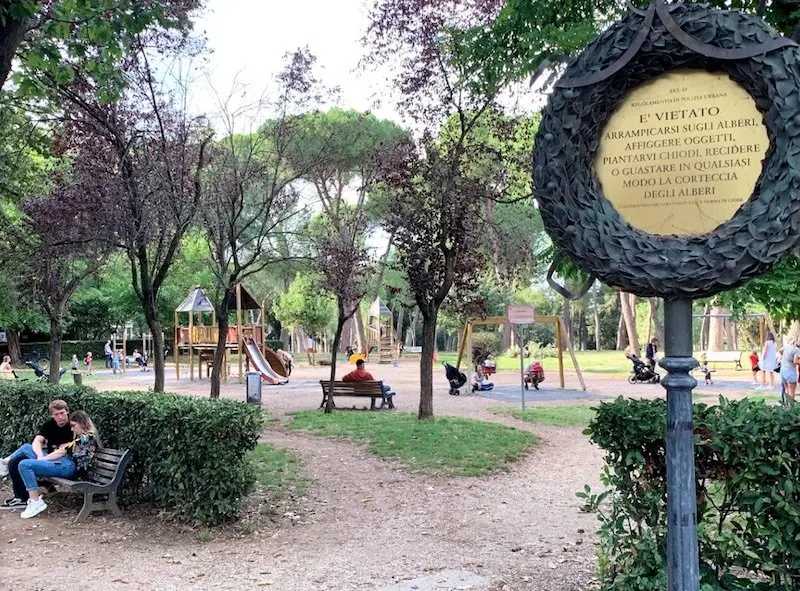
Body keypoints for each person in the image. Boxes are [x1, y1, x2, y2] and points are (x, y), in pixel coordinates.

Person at [16, 410, 99, 519]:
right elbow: (63, 450)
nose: (72, 429)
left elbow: (62, 451)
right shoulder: (84, 437)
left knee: (25, 465)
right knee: (27, 448)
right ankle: (4, 463)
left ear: (83, 423)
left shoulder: (86, 438)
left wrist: (43, 460)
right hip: (65, 463)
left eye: (74, 426)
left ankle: (35, 502)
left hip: (69, 467)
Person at [0, 399, 74, 510]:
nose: (60, 417)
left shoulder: (72, 426)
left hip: (61, 461)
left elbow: (64, 450)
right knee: (24, 450)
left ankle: (5, 464)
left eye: (62, 413)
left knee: (23, 463)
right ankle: (20, 497)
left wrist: (43, 459)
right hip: (48, 458)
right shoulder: (49, 425)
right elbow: (37, 441)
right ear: (52, 415)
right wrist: (40, 456)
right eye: (56, 414)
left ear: (67, 411)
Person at [780, 337, 800, 406]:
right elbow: (795, 361)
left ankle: (785, 405)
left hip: (783, 371)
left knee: (787, 390)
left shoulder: (786, 347)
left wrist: (785, 356)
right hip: (790, 371)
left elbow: (780, 350)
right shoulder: (796, 349)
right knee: (792, 391)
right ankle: (791, 409)